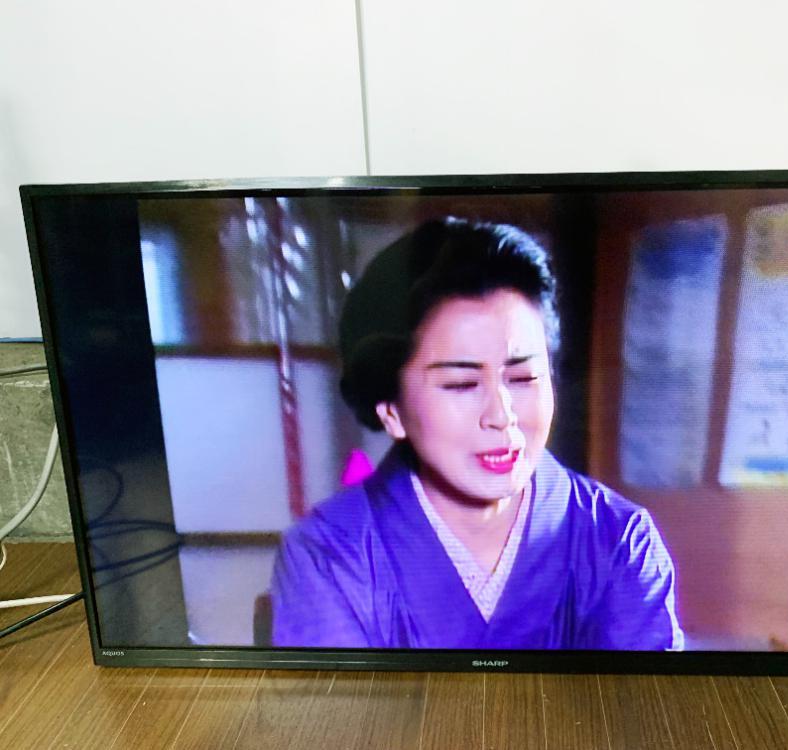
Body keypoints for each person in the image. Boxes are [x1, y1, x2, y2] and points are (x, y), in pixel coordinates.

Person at [269, 217, 684, 650]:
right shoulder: (328, 553)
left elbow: (642, 694)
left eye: (524, 378)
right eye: (462, 384)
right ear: (392, 410)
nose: (502, 416)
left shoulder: (619, 539)